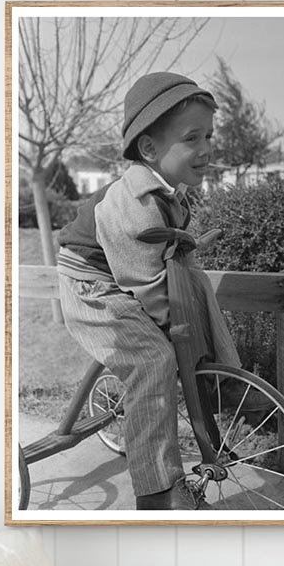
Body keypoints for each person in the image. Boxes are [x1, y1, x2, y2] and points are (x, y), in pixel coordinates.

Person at [56, 71, 239, 510]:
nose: (207, 149)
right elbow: (144, 285)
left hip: (119, 277)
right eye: (192, 138)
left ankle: (222, 395)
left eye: (209, 136)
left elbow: (166, 271)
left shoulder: (169, 192)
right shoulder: (134, 205)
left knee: (199, 301)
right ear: (150, 149)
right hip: (91, 287)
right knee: (154, 358)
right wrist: (180, 335)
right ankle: (157, 491)